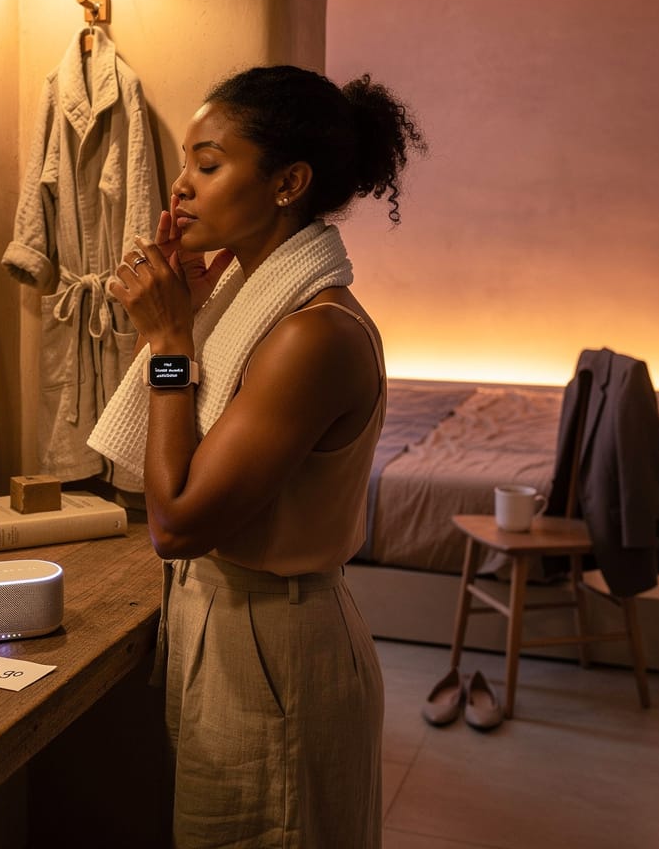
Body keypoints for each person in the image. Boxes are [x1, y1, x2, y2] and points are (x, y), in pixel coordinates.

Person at [88, 64, 426, 848]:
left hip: (278, 651)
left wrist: (172, 341)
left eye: (208, 164)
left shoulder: (313, 335)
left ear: (287, 183)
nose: (181, 187)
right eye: (184, 163)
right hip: (225, 626)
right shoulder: (250, 305)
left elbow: (177, 523)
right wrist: (192, 310)